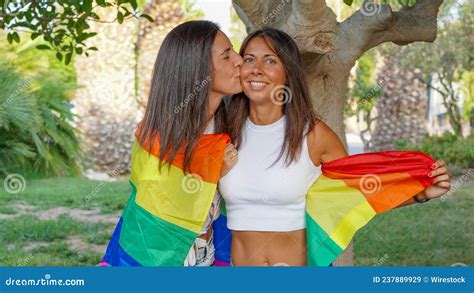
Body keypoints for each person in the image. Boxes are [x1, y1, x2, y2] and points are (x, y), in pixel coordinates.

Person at [217, 28, 451, 266]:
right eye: (249, 59)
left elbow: (359, 191)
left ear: (287, 73)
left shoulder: (313, 135)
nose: (257, 69)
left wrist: (419, 194)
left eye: (270, 60)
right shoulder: (225, 133)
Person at [101, 20, 242, 266]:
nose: (239, 60)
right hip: (161, 261)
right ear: (197, 69)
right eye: (227, 56)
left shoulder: (227, 127)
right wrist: (213, 172)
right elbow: (161, 207)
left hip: (205, 258)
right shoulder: (156, 136)